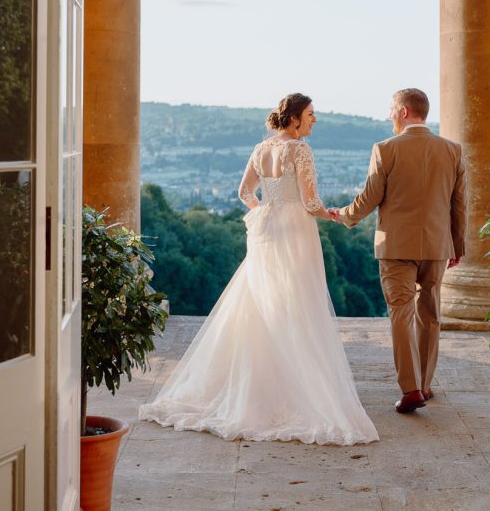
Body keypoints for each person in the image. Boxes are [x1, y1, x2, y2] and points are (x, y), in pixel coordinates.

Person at [139, 93, 379, 445]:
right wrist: (334, 214)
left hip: (267, 231)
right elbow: (311, 203)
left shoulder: (259, 148)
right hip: (295, 233)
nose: (315, 121)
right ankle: (294, 385)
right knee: (297, 303)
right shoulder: (299, 150)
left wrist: (265, 212)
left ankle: (260, 381)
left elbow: (243, 192)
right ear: (295, 118)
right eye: (311, 115)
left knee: (263, 301)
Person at [328, 88, 465, 414]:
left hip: (396, 247)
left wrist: (343, 215)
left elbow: (370, 197)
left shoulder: (385, 149)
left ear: (404, 112)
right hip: (437, 245)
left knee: (401, 314)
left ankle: (411, 388)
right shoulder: (453, 150)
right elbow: (459, 205)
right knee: (430, 314)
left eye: (392, 109)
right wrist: (457, 246)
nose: (389, 115)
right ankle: (426, 384)